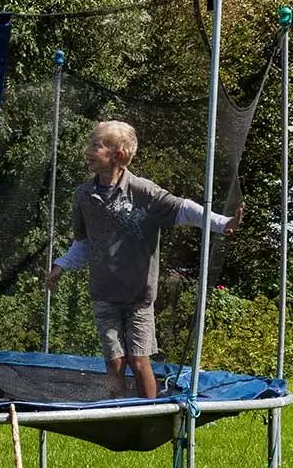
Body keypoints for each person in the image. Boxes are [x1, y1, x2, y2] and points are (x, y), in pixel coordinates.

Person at [45, 120, 241, 398]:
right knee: (114, 362)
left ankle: (150, 412)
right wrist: (61, 266)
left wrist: (222, 223)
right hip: (104, 292)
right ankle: (116, 413)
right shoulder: (84, 196)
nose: (88, 150)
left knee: (138, 360)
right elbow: (84, 242)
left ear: (118, 155)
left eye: (96, 145)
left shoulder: (143, 192)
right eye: (90, 143)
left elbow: (184, 209)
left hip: (138, 295)